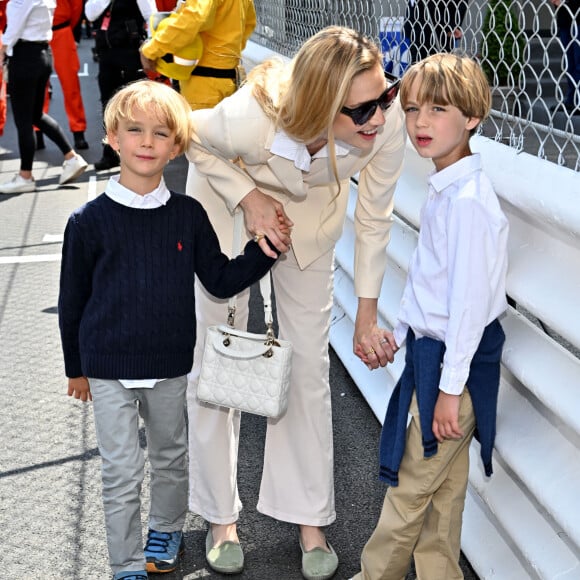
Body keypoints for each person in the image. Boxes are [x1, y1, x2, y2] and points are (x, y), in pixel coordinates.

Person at [185, 25, 406, 579]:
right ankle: (219, 516)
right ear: (319, 106)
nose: (378, 117)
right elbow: (190, 136)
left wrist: (366, 315)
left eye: (385, 95)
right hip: (227, 198)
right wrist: (250, 197)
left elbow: (375, 217)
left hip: (311, 220)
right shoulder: (247, 119)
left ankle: (308, 518)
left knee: (307, 364)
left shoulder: (387, 122)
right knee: (217, 352)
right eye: (361, 111)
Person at [58, 80, 283, 580]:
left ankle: (165, 527)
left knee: (170, 457)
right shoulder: (87, 222)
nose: (145, 141)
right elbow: (72, 301)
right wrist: (77, 369)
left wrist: (262, 251)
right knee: (120, 472)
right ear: (112, 137)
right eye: (133, 130)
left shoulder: (188, 215)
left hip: (168, 365)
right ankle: (126, 563)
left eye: (160, 134)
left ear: (176, 146)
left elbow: (220, 281)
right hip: (108, 369)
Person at [351, 52, 509, 580]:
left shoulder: (466, 202)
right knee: (443, 491)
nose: (420, 122)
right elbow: (430, 285)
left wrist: (447, 389)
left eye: (438, 109)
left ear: (471, 118)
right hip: (435, 358)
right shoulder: (446, 188)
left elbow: (466, 308)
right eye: (413, 108)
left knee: (411, 486)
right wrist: (399, 333)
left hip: (452, 369)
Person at [0, 0, 88, 195]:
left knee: (24, 120)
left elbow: (11, 32)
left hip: (24, 57)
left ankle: (25, 176)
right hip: (43, 53)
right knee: (35, 115)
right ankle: (71, 157)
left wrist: (1, 55)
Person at [139, 0, 256, 110]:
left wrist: (151, 50)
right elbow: (248, 24)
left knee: (199, 131)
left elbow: (193, 18)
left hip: (202, 85)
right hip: (229, 80)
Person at [85, 0, 155, 170]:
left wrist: (151, 47)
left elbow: (151, 16)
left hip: (131, 53)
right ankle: (110, 153)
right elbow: (90, 14)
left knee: (135, 106)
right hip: (107, 54)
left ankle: (140, 152)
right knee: (108, 104)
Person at [50, 0, 89, 150]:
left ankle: (78, 131)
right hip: (35, 35)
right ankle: (37, 130)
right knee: (36, 88)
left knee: (71, 85)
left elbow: (76, 5)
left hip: (61, 32)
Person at [404, 0, 468, 63]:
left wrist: (450, 26)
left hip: (439, 30)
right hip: (416, 25)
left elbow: (461, 3)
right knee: (417, 63)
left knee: (439, 64)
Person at [550, 0, 580, 114]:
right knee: (569, 62)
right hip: (564, 20)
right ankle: (572, 99)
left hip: (578, 17)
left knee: (578, 61)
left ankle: (577, 100)